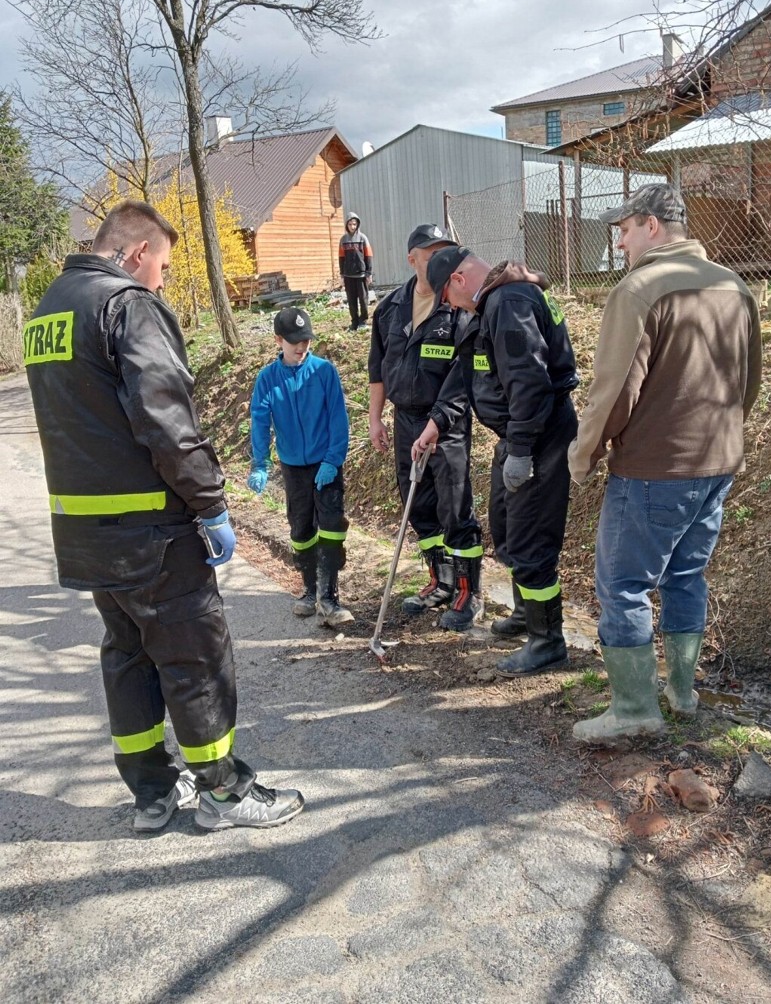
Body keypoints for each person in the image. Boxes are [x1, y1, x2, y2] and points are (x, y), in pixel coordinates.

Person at [24, 200, 304, 833]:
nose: (164, 279)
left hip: (86, 532)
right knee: (194, 655)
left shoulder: (47, 312)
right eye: (165, 265)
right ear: (136, 252)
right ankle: (224, 794)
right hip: (151, 529)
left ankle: (152, 793)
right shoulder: (126, 306)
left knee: (127, 656)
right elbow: (167, 423)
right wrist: (210, 504)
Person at [567, 183, 762, 745]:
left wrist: (584, 455)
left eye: (623, 230)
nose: (620, 243)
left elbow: (614, 390)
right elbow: (749, 382)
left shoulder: (641, 289)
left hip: (654, 467)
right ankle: (682, 691)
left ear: (651, 225)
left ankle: (632, 709)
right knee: (685, 575)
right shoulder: (734, 285)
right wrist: (724, 437)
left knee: (623, 584)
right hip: (718, 461)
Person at [423, 247, 579, 676]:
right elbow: (475, 373)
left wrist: (523, 450)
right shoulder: (497, 301)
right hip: (517, 436)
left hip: (538, 437)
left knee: (531, 539)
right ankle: (526, 614)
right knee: (508, 526)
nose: (449, 307)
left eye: (446, 298)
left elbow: (529, 380)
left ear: (457, 280)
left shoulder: (508, 303)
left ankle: (548, 641)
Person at [368, 224, 483, 630]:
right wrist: (375, 418)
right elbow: (377, 368)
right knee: (418, 505)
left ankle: (469, 591)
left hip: (446, 421)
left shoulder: (458, 307)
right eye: (430, 253)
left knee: (455, 506)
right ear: (411, 258)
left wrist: (438, 421)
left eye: (444, 253)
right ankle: (441, 581)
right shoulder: (390, 308)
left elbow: (465, 373)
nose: (437, 259)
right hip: (405, 419)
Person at [247, 306, 353, 627]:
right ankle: (309, 590)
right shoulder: (267, 379)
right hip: (293, 468)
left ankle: (330, 598)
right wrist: (260, 463)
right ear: (278, 340)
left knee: (332, 527)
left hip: (326, 466)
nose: (301, 346)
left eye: (306, 339)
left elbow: (339, 419)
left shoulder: (324, 372)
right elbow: (260, 421)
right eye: (294, 340)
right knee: (301, 530)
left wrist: (333, 460)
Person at [339, 212, 373, 330]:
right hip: (348, 275)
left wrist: (368, 273)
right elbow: (341, 258)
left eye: (354, 224)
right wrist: (342, 275)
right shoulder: (343, 240)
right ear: (347, 225)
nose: (352, 226)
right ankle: (354, 322)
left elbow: (368, 256)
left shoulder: (363, 238)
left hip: (361, 275)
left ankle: (363, 320)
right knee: (351, 301)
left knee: (363, 299)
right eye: (350, 224)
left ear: (357, 224)